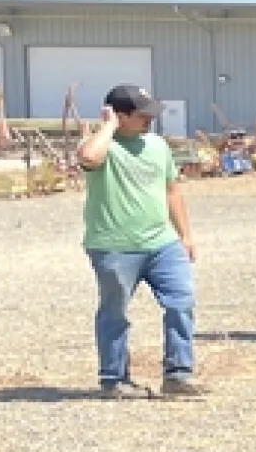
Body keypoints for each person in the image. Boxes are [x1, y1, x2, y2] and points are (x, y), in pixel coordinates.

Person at [76, 84, 206, 399]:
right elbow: (89, 158)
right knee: (115, 312)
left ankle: (178, 374)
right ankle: (114, 379)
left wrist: (185, 235)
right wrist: (108, 126)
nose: (150, 119)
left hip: (162, 243)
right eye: (142, 114)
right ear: (119, 115)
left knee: (182, 300)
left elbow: (172, 190)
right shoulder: (99, 145)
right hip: (114, 246)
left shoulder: (158, 145)